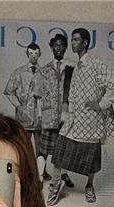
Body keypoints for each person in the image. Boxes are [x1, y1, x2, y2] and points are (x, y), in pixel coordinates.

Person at [46, 28, 114, 206]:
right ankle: (55, 185)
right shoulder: (76, 67)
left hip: (90, 120)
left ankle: (89, 186)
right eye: (72, 40)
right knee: (60, 150)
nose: (73, 43)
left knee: (91, 155)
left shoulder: (96, 64)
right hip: (75, 118)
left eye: (76, 40)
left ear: (85, 43)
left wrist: (101, 104)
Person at [36, 33, 75, 188]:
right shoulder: (44, 70)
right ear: (51, 47)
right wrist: (40, 115)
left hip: (66, 115)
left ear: (65, 48)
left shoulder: (72, 68)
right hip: (49, 115)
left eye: (62, 45)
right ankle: (39, 176)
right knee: (43, 149)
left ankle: (63, 175)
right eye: (56, 45)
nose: (59, 48)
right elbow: (39, 95)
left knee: (64, 148)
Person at [3, 43, 45, 144]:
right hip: (24, 117)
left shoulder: (44, 73)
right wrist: (18, 105)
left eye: (36, 53)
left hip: (40, 117)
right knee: (24, 145)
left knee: (41, 148)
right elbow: (9, 91)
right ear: (27, 54)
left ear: (40, 54)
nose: (33, 56)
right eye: (31, 53)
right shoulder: (19, 72)